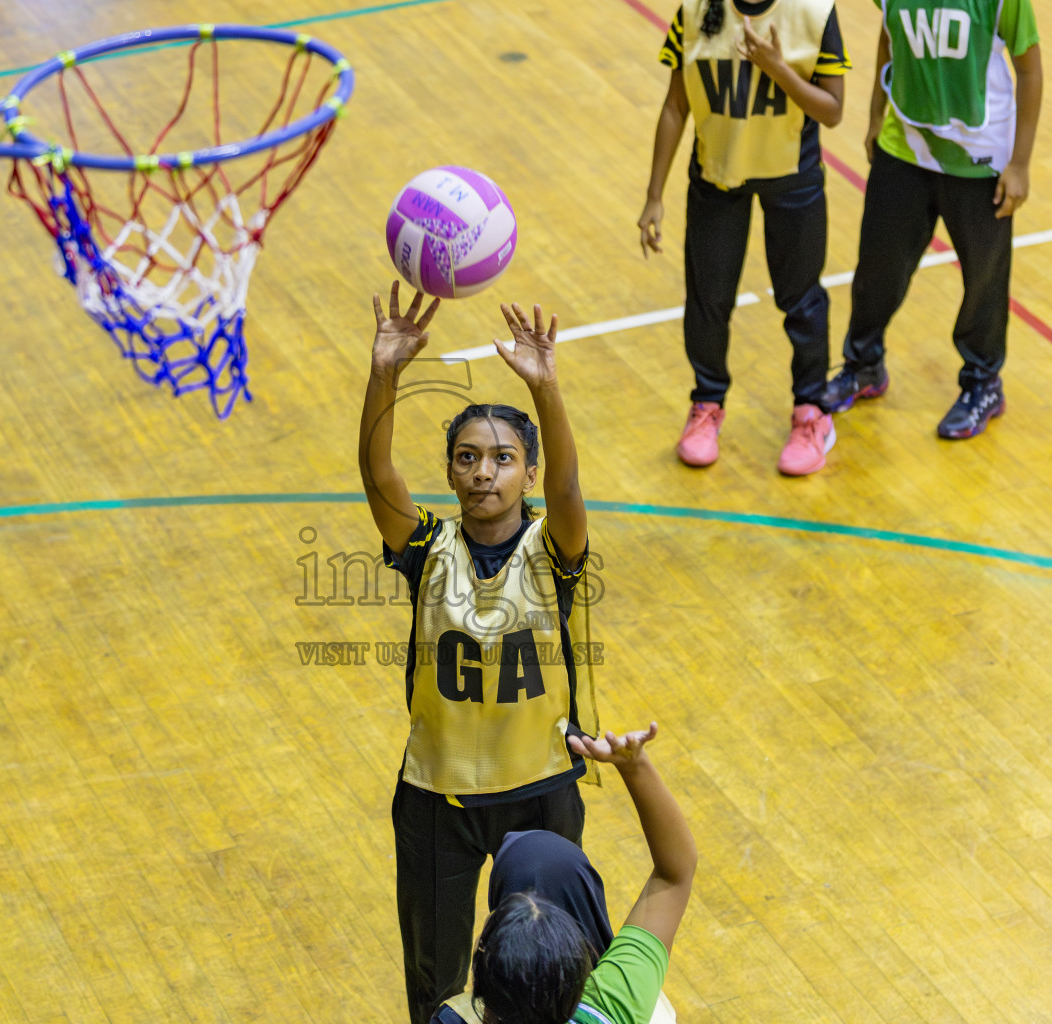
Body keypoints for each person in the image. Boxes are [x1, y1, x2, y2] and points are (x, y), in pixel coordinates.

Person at [359, 283, 599, 1024]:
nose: (483, 472)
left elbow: (566, 483)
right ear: (452, 471)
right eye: (467, 458)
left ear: (525, 474)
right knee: (435, 989)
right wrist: (385, 373)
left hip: (541, 786)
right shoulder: (426, 547)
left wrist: (546, 389)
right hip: (438, 794)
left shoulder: (552, 547)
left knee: (555, 974)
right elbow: (377, 476)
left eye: (502, 458)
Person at [640, 0, 851, 476]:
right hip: (718, 175)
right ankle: (707, 404)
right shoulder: (694, 12)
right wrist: (654, 195)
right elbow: (676, 106)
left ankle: (811, 412)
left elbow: (834, 111)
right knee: (709, 299)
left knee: (802, 301)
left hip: (793, 177)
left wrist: (778, 69)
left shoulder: (814, 13)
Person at [825, 0, 1043, 438]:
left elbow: (1030, 71)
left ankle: (983, 382)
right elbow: (889, 39)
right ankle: (863, 365)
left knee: (984, 280)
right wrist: (874, 116)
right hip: (903, 149)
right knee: (877, 270)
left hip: (980, 162)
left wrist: (1019, 163)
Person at [430, 723, 697, 1024]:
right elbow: (674, 876)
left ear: (484, 1001)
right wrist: (634, 766)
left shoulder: (451, 1020)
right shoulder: (612, 1004)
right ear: (579, 984)